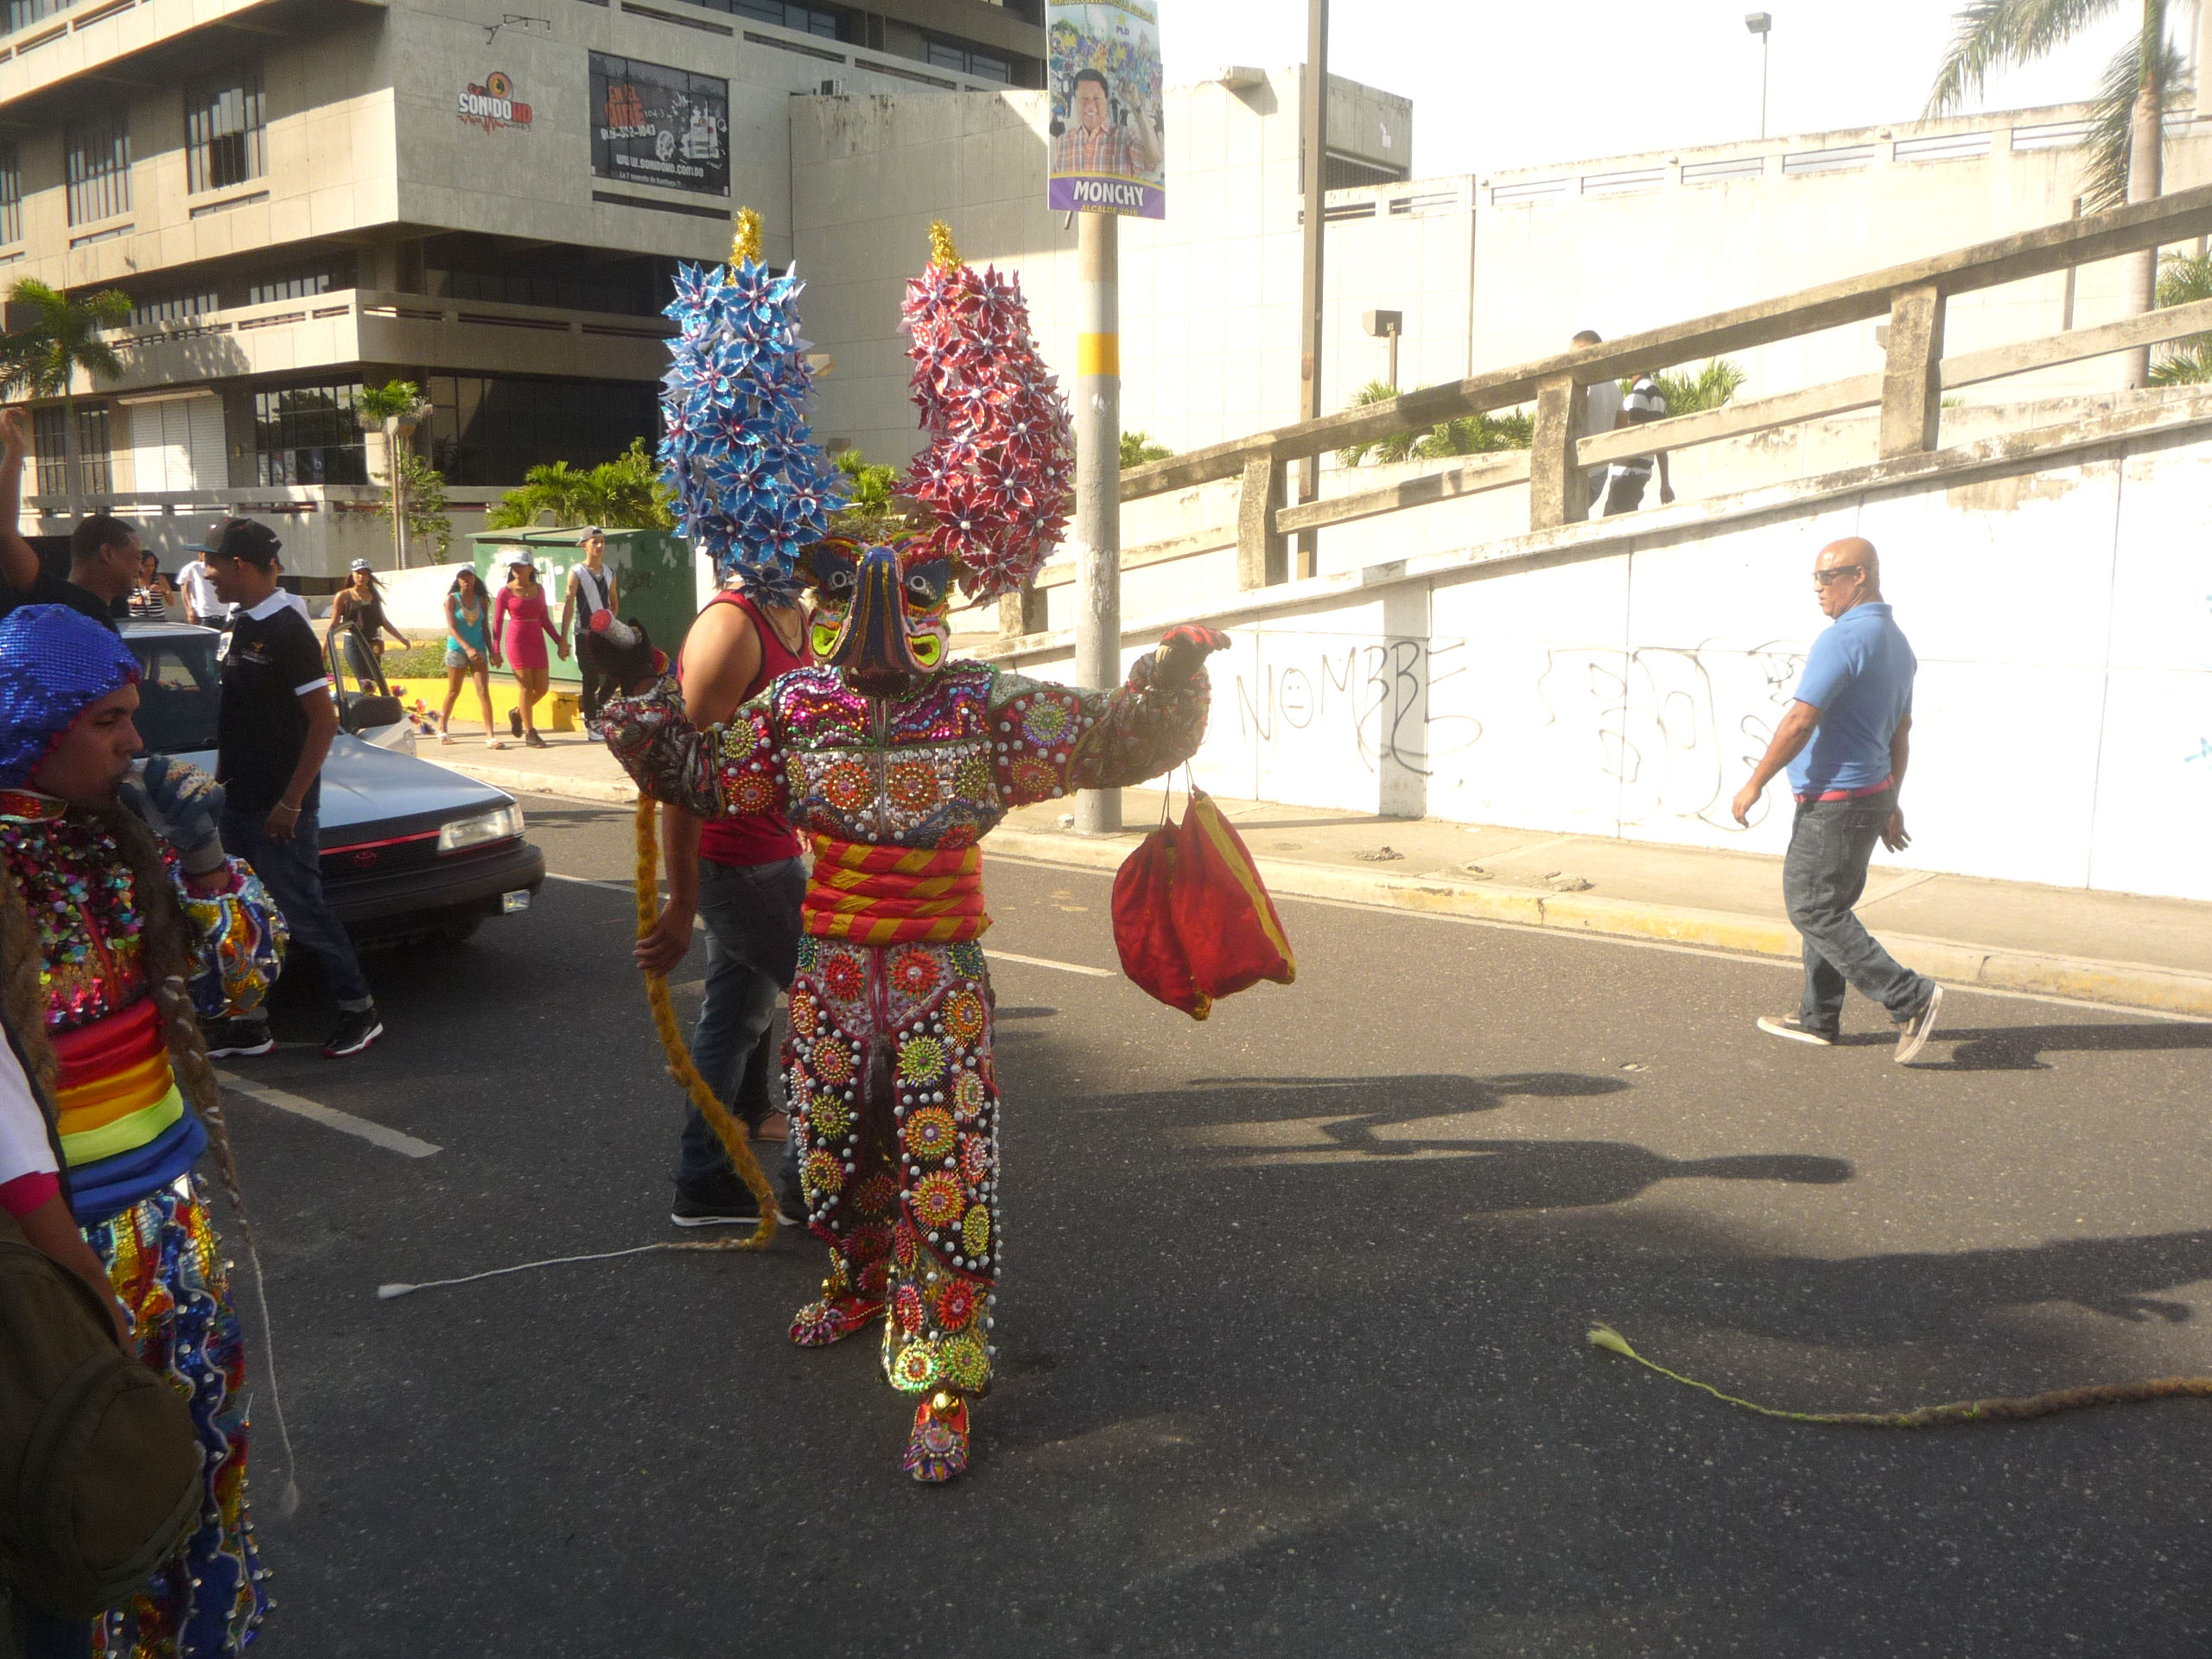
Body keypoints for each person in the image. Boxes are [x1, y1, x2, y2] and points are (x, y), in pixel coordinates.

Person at [594, 534, 1225, 1484]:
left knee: (942, 1164)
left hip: (939, 980)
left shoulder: (985, 705)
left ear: (944, 606)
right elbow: (700, 774)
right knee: (832, 1145)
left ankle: (942, 1378)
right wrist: (637, 674)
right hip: (834, 974)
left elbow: (1116, 737)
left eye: (917, 593)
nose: (884, 614)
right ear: (818, 605)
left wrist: (1171, 673)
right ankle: (858, 1276)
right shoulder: (798, 708)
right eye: (844, 592)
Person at [0, 602, 288, 1657]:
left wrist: (208, 862)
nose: (137, 744)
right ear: (31, 726)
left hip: (173, 1232)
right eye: (111, 721)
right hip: (51, 1259)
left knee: (198, 1472)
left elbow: (248, 981)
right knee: (85, 1500)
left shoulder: (120, 841)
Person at [633, 571, 810, 1229]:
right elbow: (685, 772)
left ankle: (705, 1182)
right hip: (738, 864)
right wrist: (680, 901)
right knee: (837, 1009)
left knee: (734, 1021)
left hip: (774, 852)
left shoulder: (791, 608)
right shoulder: (732, 626)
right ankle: (804, 1187)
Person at [1732, 537, 1943, 1062]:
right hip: (1867, 796)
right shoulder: (1896, 641)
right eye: (1816, 578)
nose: (1818, 589)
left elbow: (1801, 719)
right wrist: (1891, 798)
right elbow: (1901, 727)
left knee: (1811, 906)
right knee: (1830, 907)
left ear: (1861, 577)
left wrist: (1755, 781)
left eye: (1828, 577)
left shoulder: (1843, 639)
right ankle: (1819, 1018)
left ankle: (1910, 995)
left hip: (1836, 802)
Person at [200, 518, 385, 1059]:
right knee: (241, 912)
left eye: (211, 563)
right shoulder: (241, 622)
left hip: (277, 807)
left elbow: (322, 723)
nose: (205, 573)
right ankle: (250, 1022)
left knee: (302, 911)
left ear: (239, 565)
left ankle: (360, 1010)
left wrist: (291, 802)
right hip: (236, 801)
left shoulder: (286, 629)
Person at [493, 552, 564, 748]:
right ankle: (530, 732)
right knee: (525, 687)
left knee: (541, 688)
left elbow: (545, 619)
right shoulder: (505, 592)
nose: (517, 570)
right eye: (514, 566)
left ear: (530, 568)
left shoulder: (539, 590)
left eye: (521, 566)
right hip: (517, 640)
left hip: (536, 640)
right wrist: (495, 650)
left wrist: (559, 641)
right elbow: (497, 621)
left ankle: (517, 713)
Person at [556, 528, 620, 738]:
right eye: (595, 542)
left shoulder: (609, 572)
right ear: (585, 545)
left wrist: (610, 623)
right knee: (590, 678)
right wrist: (563, 639)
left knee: (615, 672)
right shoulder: (577, 572)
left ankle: (598, 704)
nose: (600, 546)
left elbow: (614, 601)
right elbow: (568, 605)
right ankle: (592, 723)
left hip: (604, 634)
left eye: (602, 542)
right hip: (584, 634)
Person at [1051, 67, 1161, 179]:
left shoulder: (1125, 137)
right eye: (1084, 98)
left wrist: (1136, 105)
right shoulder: (1062, 143)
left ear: (1106, 99)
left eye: (1097, 98)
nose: (1090, 106)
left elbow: (1154, 157)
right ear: (1075, 100)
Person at [439, 564, 503, 748]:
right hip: (458, 650)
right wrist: (467, 648)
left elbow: (484, 627)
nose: (466, 580)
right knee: (453, 690)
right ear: (458, 580)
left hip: (479, 649)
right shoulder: (452, 599)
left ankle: (491, 735)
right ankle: (442, 728)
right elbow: (452, 628)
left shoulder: (481, 600)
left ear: (475, 578)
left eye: (469, 576)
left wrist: (493, 652)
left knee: (483, 690)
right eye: (462, 577)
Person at [1597, 371, 1675, 516]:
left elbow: (1630, 438)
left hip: (1627, 473)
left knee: (1613, 528)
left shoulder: (1639, 393)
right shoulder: (1657, 393)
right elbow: (1660, 441)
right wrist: (1665, 482)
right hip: (1641, 472)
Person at [1570, 330, 1623, 513]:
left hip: (1577, 468)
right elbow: (1621, 429)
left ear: (1580, 347)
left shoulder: (1582, 384)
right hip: (1600, 472)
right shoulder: (1615, 388)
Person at [330, 559, 409, 662]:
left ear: (369, 576)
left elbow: (383, 621)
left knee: (375, 677)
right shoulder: (343, 596)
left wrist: (402, 639)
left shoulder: (373, 596)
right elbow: (333, 624)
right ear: (352, 574)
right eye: (358, 573)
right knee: (363, 678)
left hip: (372, 641)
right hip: (354, 642)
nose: (361, 577)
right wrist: (325, 649)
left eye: (365, 574)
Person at [175, 537, 229, 629]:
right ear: (200, 554)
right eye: (205, 553)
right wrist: (189, 610)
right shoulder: (193, 567)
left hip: (224, 614)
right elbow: (185, 589)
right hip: (204, 616)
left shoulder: (222, 567)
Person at [130, 550, 177, 620]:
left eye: (152, 565)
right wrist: (134, 601)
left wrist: (165, 591)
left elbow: (171, 603)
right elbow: (122, 601)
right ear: (139, 565)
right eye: (146, 566)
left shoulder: (160, 579)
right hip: (137, 619)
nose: (150, 569)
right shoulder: (133, 579)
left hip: (158, 619)